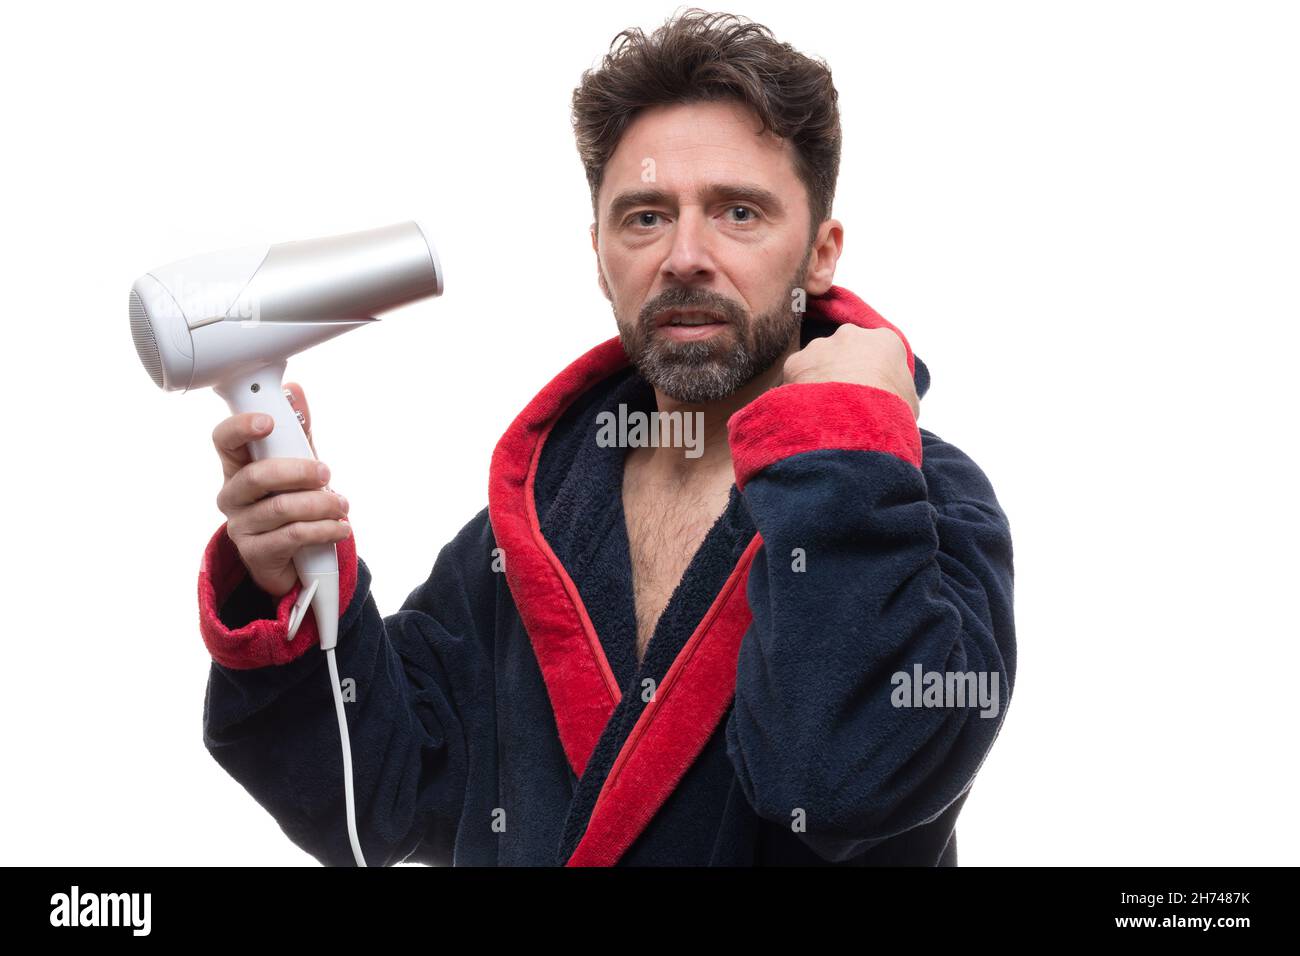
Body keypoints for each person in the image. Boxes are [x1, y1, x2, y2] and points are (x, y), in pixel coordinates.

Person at [198, 8, 1016, 866]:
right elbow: (376, 799)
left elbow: (842, 782)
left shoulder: (926, 506)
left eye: (739, 212)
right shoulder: (530, 531)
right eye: (645, 217)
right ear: (599, 255)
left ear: (820, 253)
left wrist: (846, 453)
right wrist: (285, 585)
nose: (686, 256)